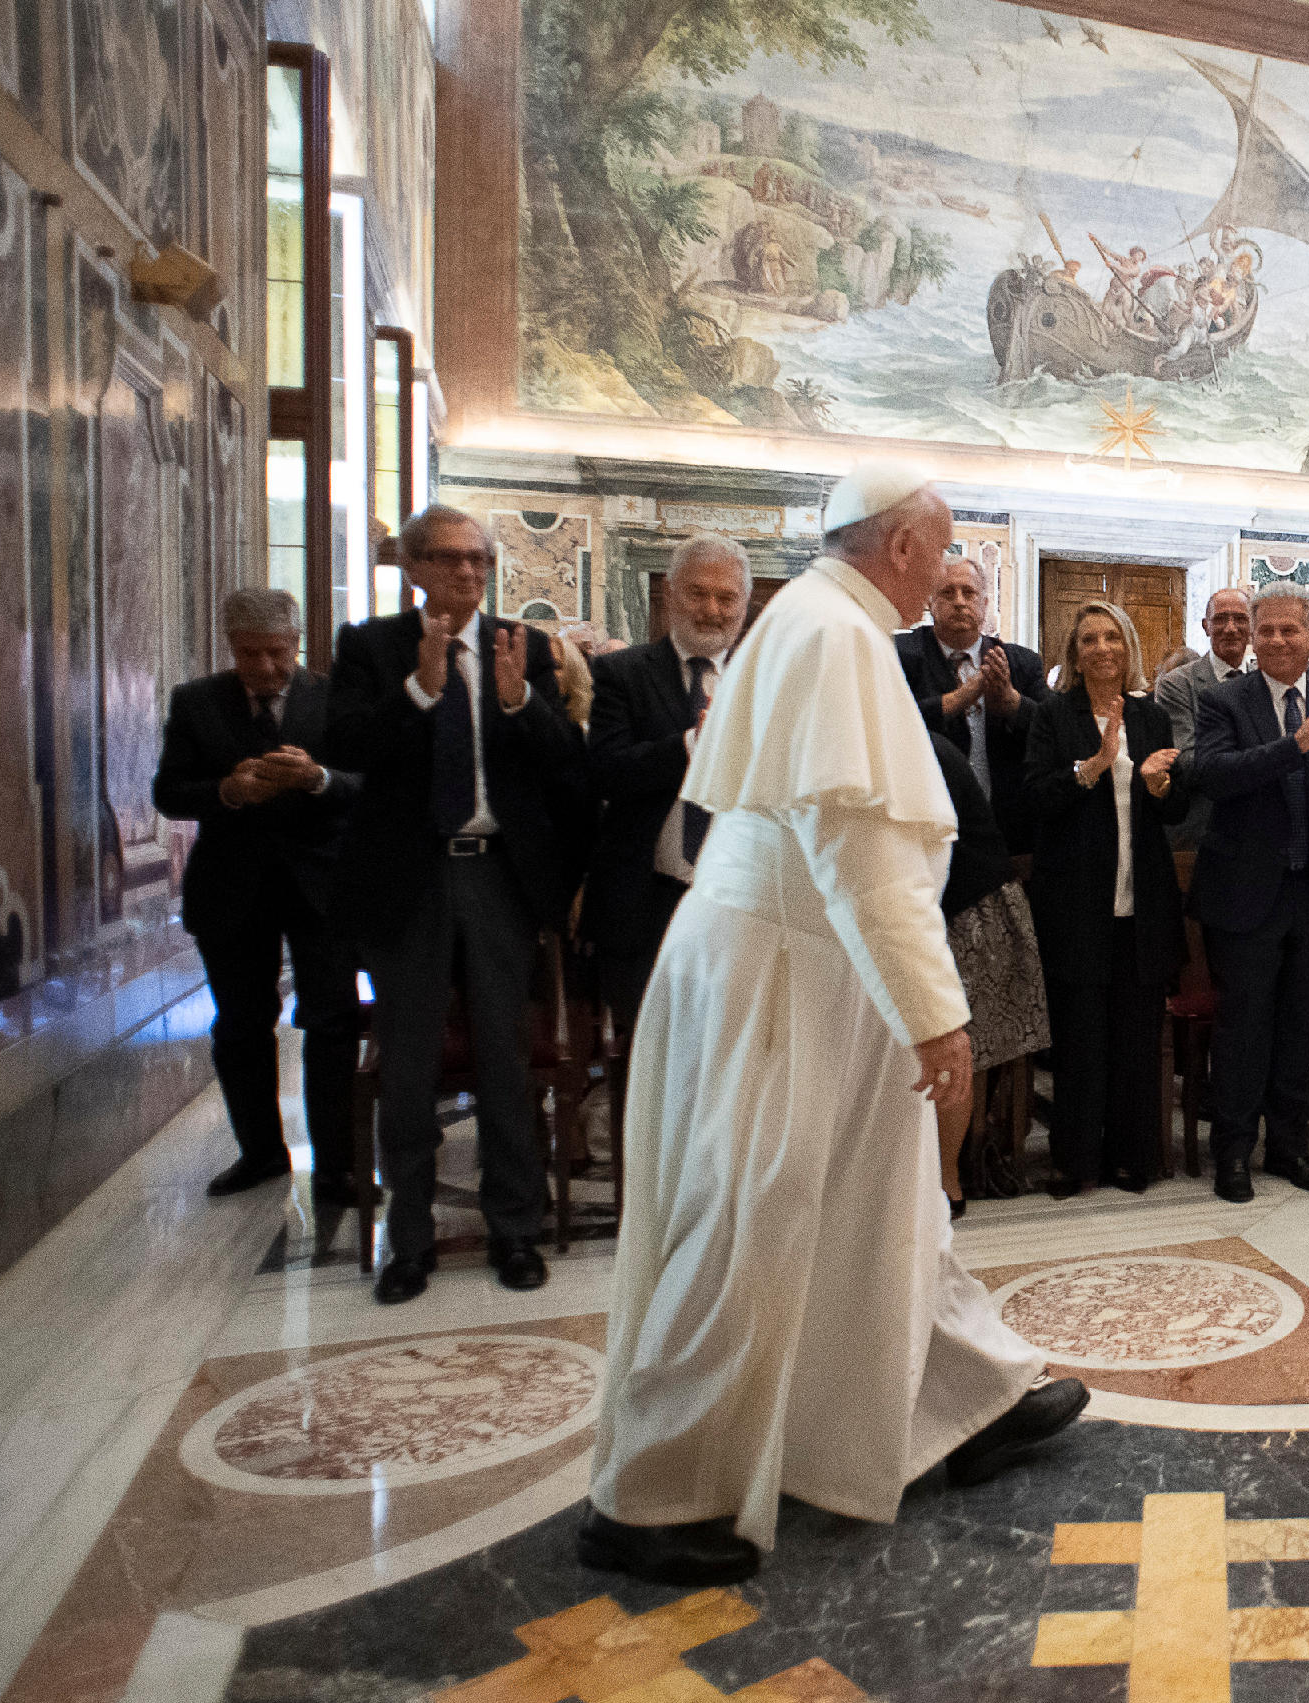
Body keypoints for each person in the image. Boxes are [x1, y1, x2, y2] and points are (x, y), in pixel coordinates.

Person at [585, 463, 1079, 1590]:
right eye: (940, 548)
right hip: (784, 973)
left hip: (815, 963)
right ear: (900, 545)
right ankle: (652, 1493)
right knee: (747, 1220)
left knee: (884, 1194)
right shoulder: (835, 632)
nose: (946, 571)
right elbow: (859, 846)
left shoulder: (818, 618)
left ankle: (968, 1402)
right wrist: (937, 1017)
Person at [328, 509, 586, 1305]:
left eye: (479, 559)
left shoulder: (521, 645)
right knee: (409, 1067)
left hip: (498, 876)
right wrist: (419, 690)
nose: (469, 573)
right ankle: (408, 1240)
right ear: (413, 567)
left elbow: (564, 765)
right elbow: (345, 747)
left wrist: (520, 704)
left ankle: (515, 1229)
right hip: (410, 880)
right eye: (449, 559)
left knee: (506, 1063)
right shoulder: (371, 646)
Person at [155, 588, 365, 1204]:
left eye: (278, 652)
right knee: (242, 1025)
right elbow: (169, 791)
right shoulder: (196, 702)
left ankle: (336, 1166)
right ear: (231, 646)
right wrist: (228, 791)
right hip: (231, 886)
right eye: (251, 654)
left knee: (331, 1019)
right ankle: (261, 1153)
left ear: (296, 643)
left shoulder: (333, 698)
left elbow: (367, 785)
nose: (267, 667)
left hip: (321, 886)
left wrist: (317, 779)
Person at [1190, 586, 1309, 1202]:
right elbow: (1213, 776)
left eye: (1288, 630)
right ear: (1253, 637)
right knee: (1244, 1028)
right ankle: (1233, 1153)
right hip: (1245, 892)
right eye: (1265, 630)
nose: (1275, 640)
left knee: (1302, 1026)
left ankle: (1290, 1146)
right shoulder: (1224, 700)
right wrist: (1290, 747)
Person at [1027, 600, 1187, 1196]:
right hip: (1076, 905)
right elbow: (1037, 797)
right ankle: (1075, 1162)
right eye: (1089, 639)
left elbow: (1174, 808)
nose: (1101, 648)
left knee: (1135, 1042)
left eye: (1112, 638)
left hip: (1140, 904)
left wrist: (1161, 786)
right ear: (1075, 653)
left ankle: (1132, 1157)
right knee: (1080, 1042)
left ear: (1128, 649)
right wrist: (1093, 765)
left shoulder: (1151, 716)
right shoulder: (1053, 715)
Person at [586, 535, 751, 1044]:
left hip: (739, 902)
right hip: (646, 900)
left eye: (726, 598)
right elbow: (606, 772)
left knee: (725, 1051)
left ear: (744, 605)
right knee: (647, 1051)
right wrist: (690, 744)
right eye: (698, 594)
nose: (712, 610)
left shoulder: (764, 680)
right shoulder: (622, 673)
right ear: (671, 593)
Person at [931, 730, 1047, 1218]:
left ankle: (952, 1178)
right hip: (945, 907)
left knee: (953, 1046)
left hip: (972, 912)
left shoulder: (925, 750)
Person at [897, 555, 1049, 853]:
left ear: (985, 603)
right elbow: (889, 725)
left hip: (1005, 830)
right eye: (947, 592)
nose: (959, 602)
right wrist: (959, 698)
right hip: (924, 825)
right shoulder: (901, 654)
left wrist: (1011, 702)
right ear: (930, 602)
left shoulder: (1021, 663)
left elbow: (1053, 728)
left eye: (969, 593)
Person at [1155, 586, 1253, 850]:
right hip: (1198, 834)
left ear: (1252, 626)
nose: (1230, 628)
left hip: (1256, 835)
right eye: (1220, 619)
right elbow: (1185, 761)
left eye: (1240, 619)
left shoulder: (1265, 682)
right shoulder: (1177, 684)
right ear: (1206, 626)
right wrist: (1260, 760)